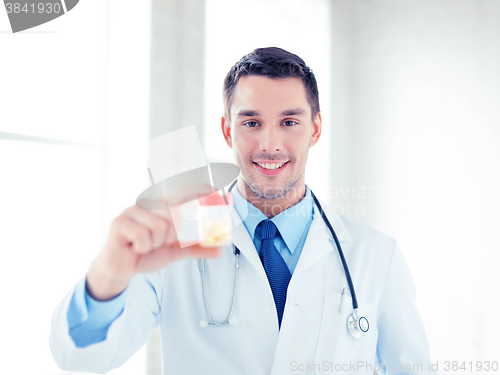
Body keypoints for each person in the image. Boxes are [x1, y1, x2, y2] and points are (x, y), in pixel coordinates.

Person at [50, 47, 435, 374]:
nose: (270, 144)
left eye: (289, 121)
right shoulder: (178, 235)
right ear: (226, 130)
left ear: (315, 129)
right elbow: (81, 358)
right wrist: (105, 278)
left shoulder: (374, 255)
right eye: (251, 122)